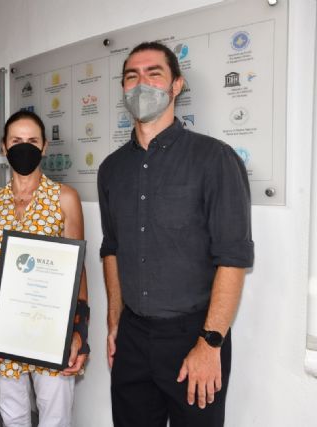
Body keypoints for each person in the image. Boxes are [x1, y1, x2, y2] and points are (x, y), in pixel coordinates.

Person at [97, 41, 254, 427]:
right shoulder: (111, 170)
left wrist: (210, 342)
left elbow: (232, 258)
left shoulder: (215, 159)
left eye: (154, 74)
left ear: (176, 85)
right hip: (132, 336)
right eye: (131, 76)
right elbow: (112, 249)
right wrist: (114, 323)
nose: (141, 83)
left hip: (194, 337)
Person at [0, 111, 90, 426]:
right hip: (4, 331)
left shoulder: (64, 198)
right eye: (17, 141)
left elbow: (78, 272)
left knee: (55, 418)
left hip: (52, 333)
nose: (25, 147)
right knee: (13, 418)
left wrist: (80, 333)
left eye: (32, 141)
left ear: (45, 146)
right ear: (4, 146)